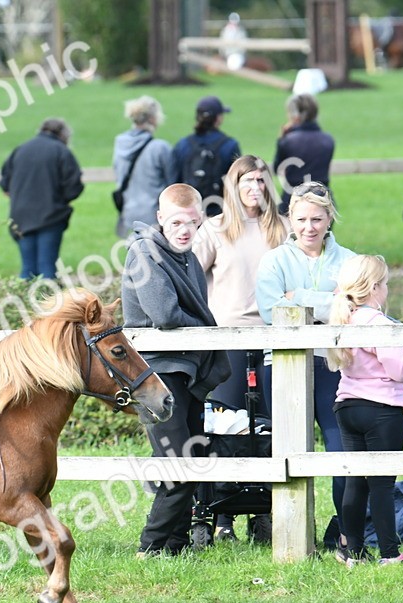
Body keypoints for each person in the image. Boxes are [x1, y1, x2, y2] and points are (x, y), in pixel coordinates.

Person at [121, 183, 231, 556]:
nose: (185, 230)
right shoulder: (144, 253)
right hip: (155, 375)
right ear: (160, 219)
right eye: (177, 222)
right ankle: (151, 545)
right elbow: (164, 315)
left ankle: (176, 544)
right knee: (178, 462)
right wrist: (206, 327)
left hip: (186, 372)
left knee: (192, 461)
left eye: (193, 223)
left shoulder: (188, 257)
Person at [192, 155, 289, 541]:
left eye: (261, 181)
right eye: (247, 181)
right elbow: (190, 278)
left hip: (271, 337)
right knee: (225, 426)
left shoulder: (281, 229)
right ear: (233, 186)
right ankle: (220, 516)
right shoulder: (214, 230)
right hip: (227, 339)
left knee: (269, 426)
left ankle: (263, 512)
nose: (255, 188)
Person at [255, 181, 357, 538]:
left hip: (333, 365)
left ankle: (347, 530)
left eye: (317, 218)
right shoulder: (273, 261)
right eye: (301, 219)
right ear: (289, 218)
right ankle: (293, 532)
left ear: (330, 218)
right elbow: (271, 310)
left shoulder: (349, 261)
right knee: (289, 450)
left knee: (340, 448)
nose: (308, 227)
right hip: (282, 365)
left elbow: (354, 307)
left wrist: (299, 297)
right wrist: (330, 300)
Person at [327, 255, 403, 567]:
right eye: (386, 284)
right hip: (381, 409)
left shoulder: (344, 319)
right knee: (382, 483)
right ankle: (390, 553)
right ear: (376, 288)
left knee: (356, 481)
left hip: (348, 405)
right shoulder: (378, 324)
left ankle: (352, 549)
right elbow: (399, 368)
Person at [0, 117, 85, 280]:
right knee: (47, 268)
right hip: (51, 217)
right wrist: (61, 199)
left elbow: (5, 183)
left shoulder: (21, 150)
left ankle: (23, 302)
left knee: (27, 269)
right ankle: (49, 303)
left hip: (21, 217)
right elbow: (74, 186)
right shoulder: (61, 151)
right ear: (64, 134)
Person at [112, 96, 174, 239]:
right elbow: (172, 183)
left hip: (128, 213)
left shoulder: (120, 143)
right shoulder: (160, 147)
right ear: (152, 119)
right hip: (154, 215)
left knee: (135, 257)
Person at [171, 96, 242, 217]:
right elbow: (236, 184)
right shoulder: (230, 145)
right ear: (218, 119)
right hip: (219, 214)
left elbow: (174, 182)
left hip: (188, 214)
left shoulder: (183, 145)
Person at [273, 93, 335, 215]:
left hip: (293, 198)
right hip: (323, 198)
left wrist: (282, 137)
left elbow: (278, 169)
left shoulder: (288, 141)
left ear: (295, 116)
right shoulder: (328, 140)